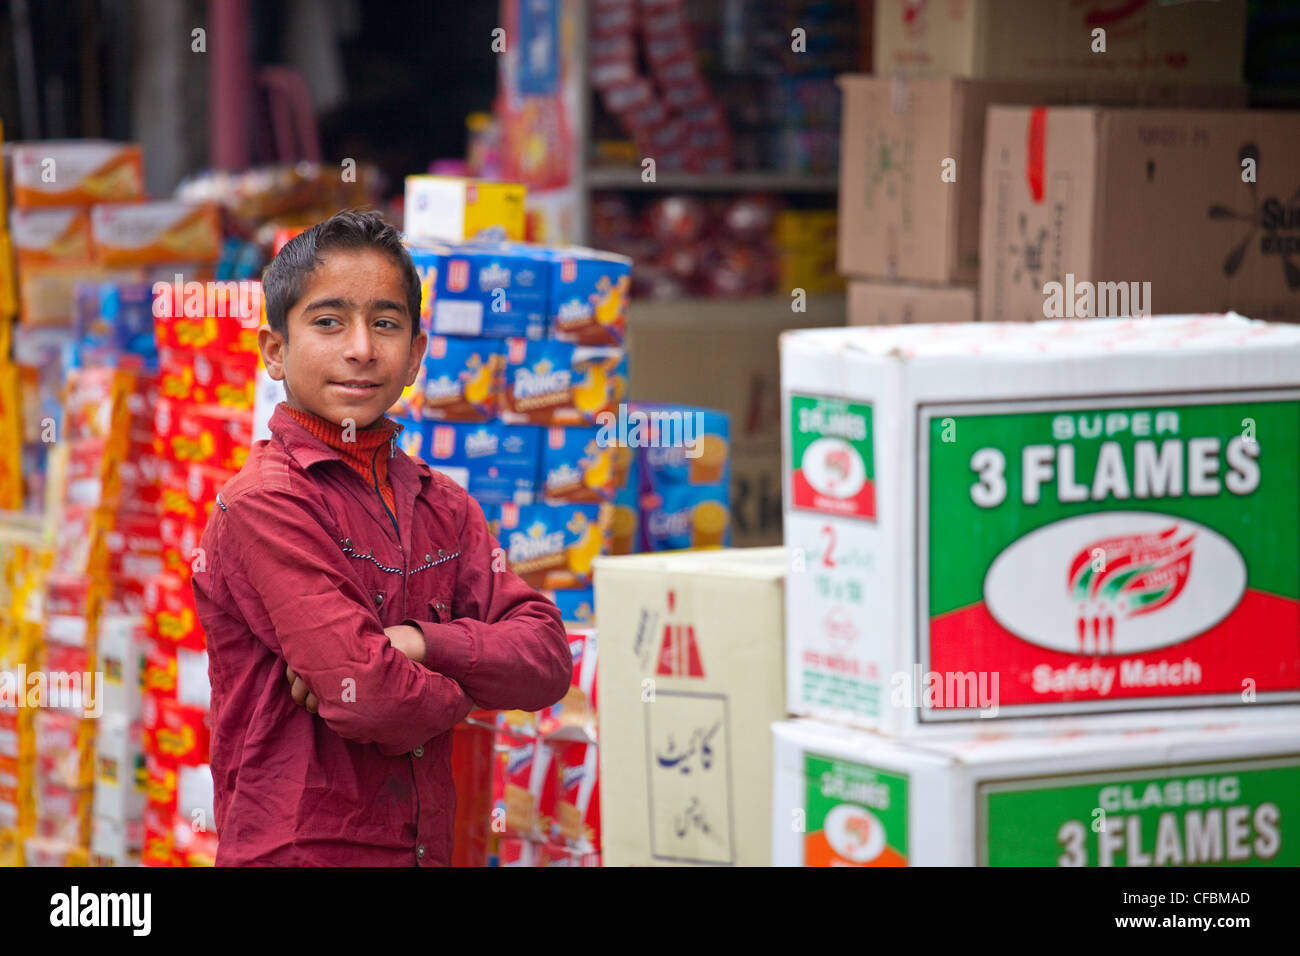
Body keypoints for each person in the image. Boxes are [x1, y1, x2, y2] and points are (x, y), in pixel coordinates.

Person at [191, 209, 571, 866]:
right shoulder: (265, 502)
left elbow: (546, 661)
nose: (362, 347)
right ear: (274, 351)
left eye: (386, 323)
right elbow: (371, 698)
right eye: (329, 322)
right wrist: (468, 683)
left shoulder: (443, 504)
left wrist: (422, 643)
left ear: (417, 355)